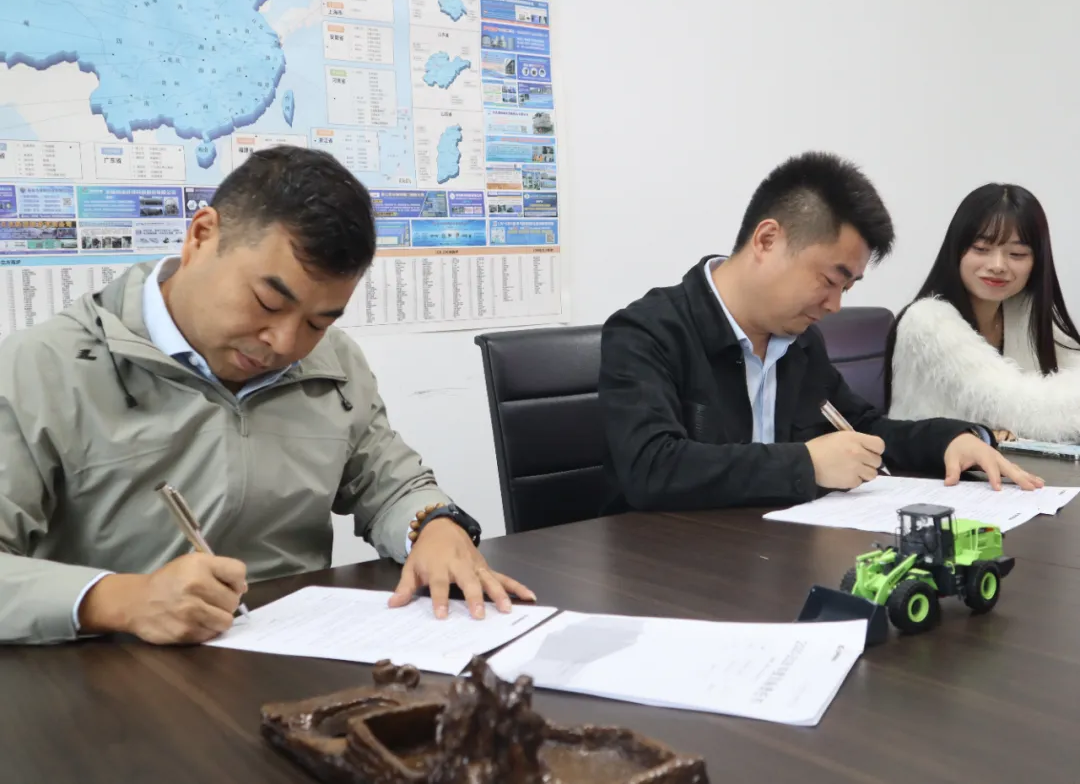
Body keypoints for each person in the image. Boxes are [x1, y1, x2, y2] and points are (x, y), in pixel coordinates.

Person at [0, 146, 534, 646]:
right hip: (112, 671)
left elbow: (391, 483)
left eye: (318, 322)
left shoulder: (332, 363)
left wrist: (433, 526)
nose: (284, 343)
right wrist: (118, 600)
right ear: (201, 236)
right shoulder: (45, 367)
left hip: (294, 657)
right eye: (267, 302)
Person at [598, 152, 1040, 516]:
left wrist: (951, 438)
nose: (834, 305)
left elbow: (861, 428)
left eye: (847, 288)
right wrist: (806, 463)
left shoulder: (798, 340)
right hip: (668, 564)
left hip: (770, 551)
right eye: (830, 280)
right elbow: (651, 468)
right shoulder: (647, 332)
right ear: (767, 240)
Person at [886, 184, 1080, 442]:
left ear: (1037, 261)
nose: (997, 266)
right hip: (931, 465)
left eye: (1017, 254)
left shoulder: (1023, 310)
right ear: (957, 250)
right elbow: (1024, 413)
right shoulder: (926, 321)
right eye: (981, 249)